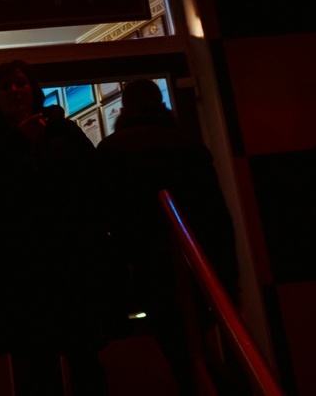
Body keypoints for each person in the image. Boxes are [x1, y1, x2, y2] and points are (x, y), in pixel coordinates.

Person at [0, 60, 109, 396]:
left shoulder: (63, 130)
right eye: (5, 86)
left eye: (20, 83)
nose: (14, 90)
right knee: (35, 363)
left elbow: (94, 178)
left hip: (70, 259)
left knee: (84, 356)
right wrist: (17, 141)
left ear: (34, 89)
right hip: (21, 265)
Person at [97, 79, 236, 396]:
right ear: (161, 104)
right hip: (196, 264)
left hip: (148, 267)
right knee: (195, 348)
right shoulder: (191, 146)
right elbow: (217, 216)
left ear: (124, 108)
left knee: (183, 354)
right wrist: (229, 282)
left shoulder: (112, 150)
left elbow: (106, 218)